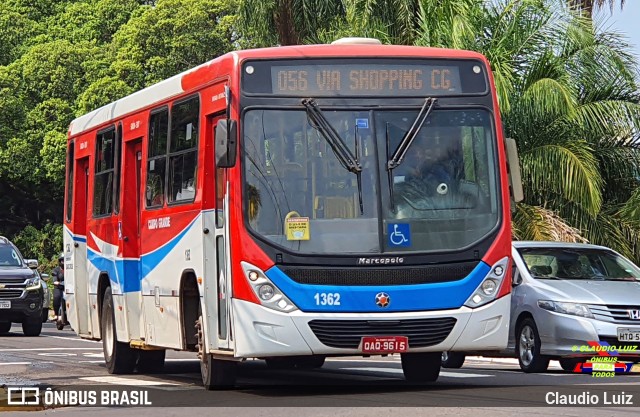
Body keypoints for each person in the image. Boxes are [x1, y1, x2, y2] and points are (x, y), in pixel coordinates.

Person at [51, 254, 67, 324]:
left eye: (65, 260)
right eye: (62, 260)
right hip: (59, 287)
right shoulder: (56, 270)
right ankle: (56, 314)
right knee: (56, 298)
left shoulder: (70, 269)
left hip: (68, 287)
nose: (63, 262)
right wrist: (57, 282)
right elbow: (54, 280)